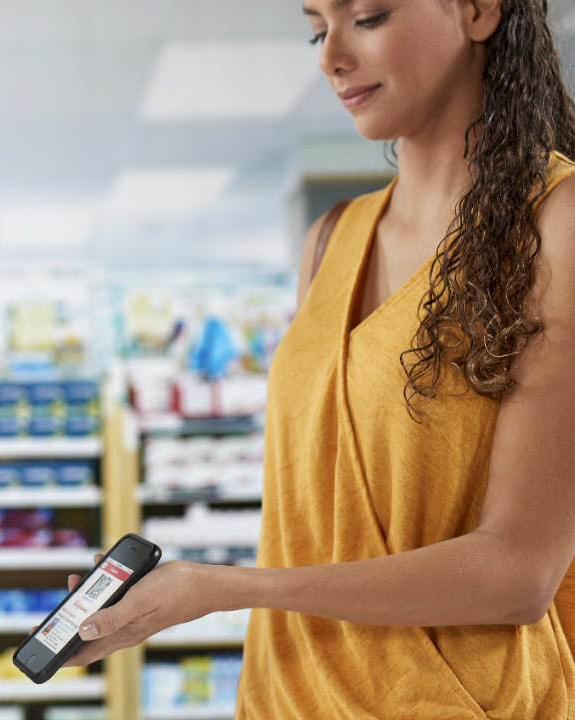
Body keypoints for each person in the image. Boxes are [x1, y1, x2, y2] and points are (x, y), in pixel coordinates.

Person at [62, 1, 575, 716]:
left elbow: (519, 575)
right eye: (316, 27)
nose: (329, 56)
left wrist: (228, 588)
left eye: (367, 16)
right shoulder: (332, 240)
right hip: (285, 695)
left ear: (479, 10)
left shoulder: (556, 223)